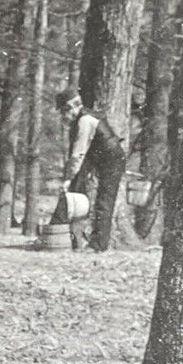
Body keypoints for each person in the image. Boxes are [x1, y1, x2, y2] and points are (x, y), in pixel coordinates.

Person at [54, 87, 127, 251]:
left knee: (104, 201)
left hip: (112, 160)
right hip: (103, 159)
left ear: (70, 108)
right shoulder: (85, 117)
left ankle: (99, 245)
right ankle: (77, 239)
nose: (64, 116)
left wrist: (67, 180)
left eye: (64, 111)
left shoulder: (85, 121)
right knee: (90, 196)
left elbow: (78, 154)